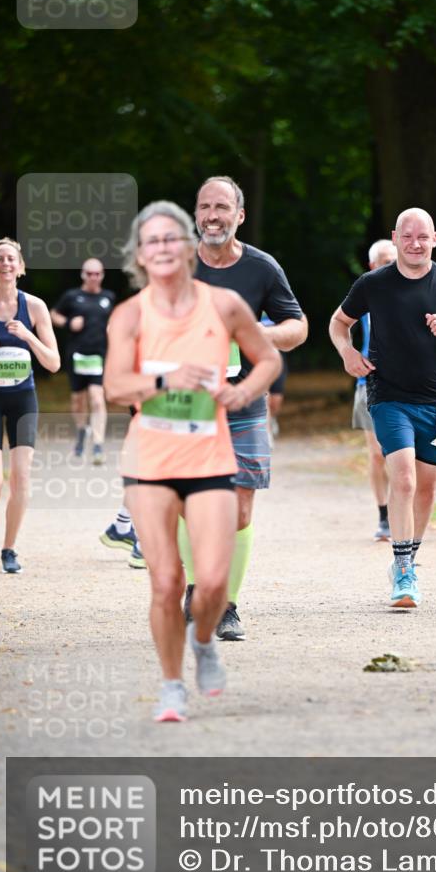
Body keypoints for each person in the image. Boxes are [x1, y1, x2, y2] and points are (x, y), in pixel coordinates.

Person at [103, 201, 280, 722]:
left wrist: (242, 391)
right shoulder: (130, 314)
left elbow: (269, 357)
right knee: (164, 581)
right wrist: (162, 381)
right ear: (140, 255)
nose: (161, 248)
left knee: (214, 579)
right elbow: (115, 386)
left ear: (187, 247)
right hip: (150, 462)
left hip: (208, 459)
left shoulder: (223, 305)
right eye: (150, 241)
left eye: (169, 239)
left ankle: (203, 640)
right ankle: (172, 686)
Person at [329, 208, 436, 608]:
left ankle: (407, 560)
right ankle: (403, 570)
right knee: (405, 480)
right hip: (388, 395)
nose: (415, 243)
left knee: (428, 488)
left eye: (423, 237)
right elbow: (338, 322)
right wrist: (346, 353)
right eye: (407, 236)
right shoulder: (374, 283)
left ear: (435, 238)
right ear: (395, 238)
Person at [180, 175, 307, 642]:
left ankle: (227, 606)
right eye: (204, 207)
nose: (212, 216)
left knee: (241, 507)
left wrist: (250, 333)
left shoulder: (261, 268)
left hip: (245, 400)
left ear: (240, 215)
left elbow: (298, 328)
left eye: (221, 207)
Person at [0, 238, 61, 572]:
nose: (5, 264)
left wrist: (28, 337)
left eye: (11, 259)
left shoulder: (34, 307)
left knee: (20, 478)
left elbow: (54, 363)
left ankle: (9, 549)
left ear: (21, 267)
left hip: (22, 398)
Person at [351, 239, 398, 541]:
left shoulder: (415, 290)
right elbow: (339, 327)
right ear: (372, 266)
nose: (389, 266)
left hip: (406, 384)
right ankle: (384, 515)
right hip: (368, 384)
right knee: (378, 455)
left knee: (403, 454)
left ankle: (400, 513)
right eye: (383, 261)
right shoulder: (363, 295)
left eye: (393, 260)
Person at [51, 258, 115, 464]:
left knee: (97, 398)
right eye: (89, 273)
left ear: (102, 275)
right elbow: (53, 314)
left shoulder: (108, 297)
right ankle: (81, 431)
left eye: (97, 274)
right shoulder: (72, 296)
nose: (93, 277)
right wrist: (69, 323)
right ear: (83, 274)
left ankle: (97, 444)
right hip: (77, 355)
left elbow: (114, 321)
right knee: (78, 400)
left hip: (99, 355)